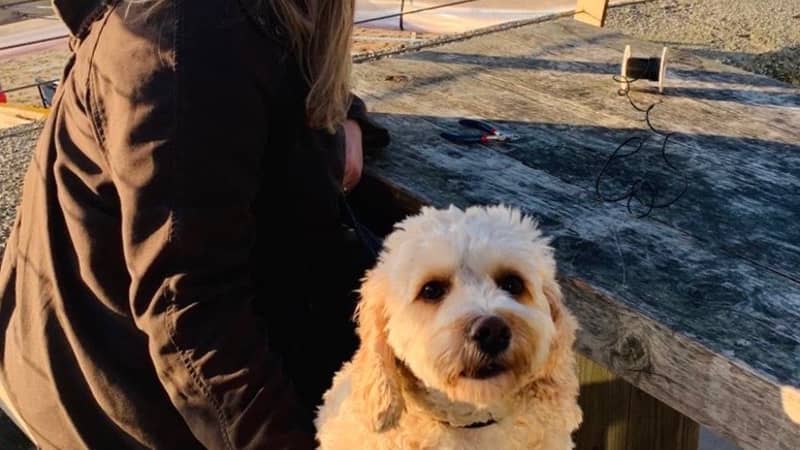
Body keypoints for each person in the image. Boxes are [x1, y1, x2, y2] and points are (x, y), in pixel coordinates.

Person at [0, 0, 389, 448]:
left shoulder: (217, 30)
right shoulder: (190, 37)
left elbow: (280, 66)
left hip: (90, 360)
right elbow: (190, 318)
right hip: (116, 401)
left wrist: (342, 111)